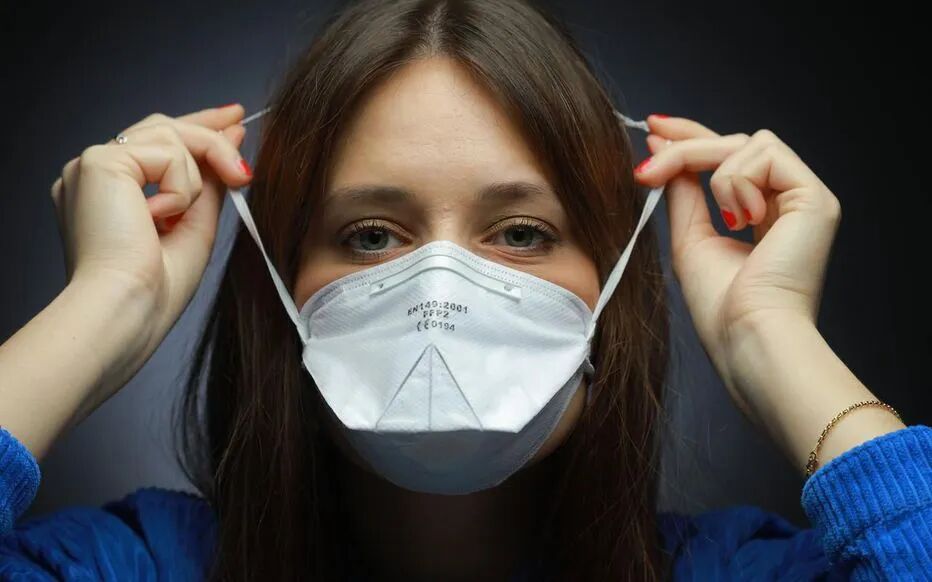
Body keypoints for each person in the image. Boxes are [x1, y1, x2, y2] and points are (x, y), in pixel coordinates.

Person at [0, 0, 929, 580]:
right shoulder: (128, 568)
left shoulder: (745, 574)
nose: (438, 290)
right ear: (285, 286)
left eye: (520, 233)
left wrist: (773, 335)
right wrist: (104, 302)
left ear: (610, 287)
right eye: (372, 235)